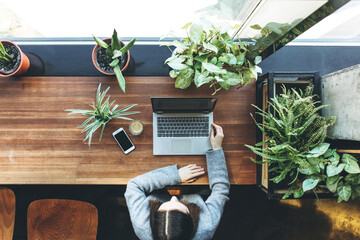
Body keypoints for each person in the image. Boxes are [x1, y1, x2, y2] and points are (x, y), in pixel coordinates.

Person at [125, 123, 230, 240]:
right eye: (180, 206)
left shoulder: (142, 224)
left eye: (164, 206)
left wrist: (176, 175)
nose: (174, 198)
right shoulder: (206, 226)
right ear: (192, 219)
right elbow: (220, 190)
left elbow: (133, 185)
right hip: (195, 191)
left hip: (157, 189)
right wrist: (216, 149)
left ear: (154, 217)